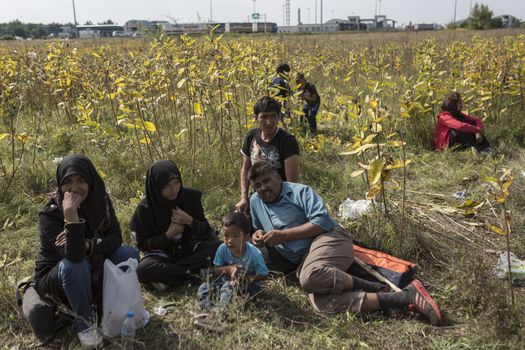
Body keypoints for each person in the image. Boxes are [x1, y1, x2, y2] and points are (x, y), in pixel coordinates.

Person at [248, 161, 442, 326]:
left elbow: (322, 222)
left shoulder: (299, 192)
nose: (264, 188)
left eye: (267, 181)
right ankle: (399, 298)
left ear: (278, 177)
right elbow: (257, 227)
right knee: (322, 305)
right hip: (304, 259)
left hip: (329, 238)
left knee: (309, 279)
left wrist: (284, 236)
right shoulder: (255, 201)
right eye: (258, 185)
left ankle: (375, 288)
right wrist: (258, 234)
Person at [34, 154, 140, 349]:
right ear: (60, 184)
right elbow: (73, 256)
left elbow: (115, 238)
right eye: (68, 182)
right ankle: (83, 323)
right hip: (57, 276)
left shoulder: (101, 200)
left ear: (91, 180)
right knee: (75, 266)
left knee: (129, 254)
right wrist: (70, 216)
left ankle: (108, 302)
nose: (74, 188)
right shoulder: (49, 214)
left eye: (81, 180)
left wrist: (90, 245)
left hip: (91, 260)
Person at [131, 160, 221, 291]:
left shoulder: (190, 197)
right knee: (143, 269)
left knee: (220, 248)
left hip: (190, 251)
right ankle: (196, 274)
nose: (174, 190)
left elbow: (206, 231)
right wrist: (168, 234)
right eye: (167, 186)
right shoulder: (145, 209)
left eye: (177, 183)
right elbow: (143, 245)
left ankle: (173, 277)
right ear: (156, 187)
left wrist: (190, 221)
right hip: (163, 256)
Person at [195, 212, 268, 328]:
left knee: (229, 287)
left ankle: (220, 318)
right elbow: (217, 269)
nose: (229, 240)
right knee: (204, 288)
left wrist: (243, 277)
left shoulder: (254, 254)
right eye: (226, 236)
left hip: (250, 287)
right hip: (226, 283)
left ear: (246, 237)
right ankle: (210, 311)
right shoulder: (223, 249)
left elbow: (264, 275)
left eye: (235, 236)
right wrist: (229, 269)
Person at [235, 96, 300, 214]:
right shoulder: (251, 137)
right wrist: (244, 198)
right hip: (258, 195)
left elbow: (292, 183)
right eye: (264, 117)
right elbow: (245, 169)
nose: (269, 122)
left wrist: (286, 206)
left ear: (278, 117)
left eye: (273, 116)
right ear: (256, 118)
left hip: (280, 197)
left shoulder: (287, 141)